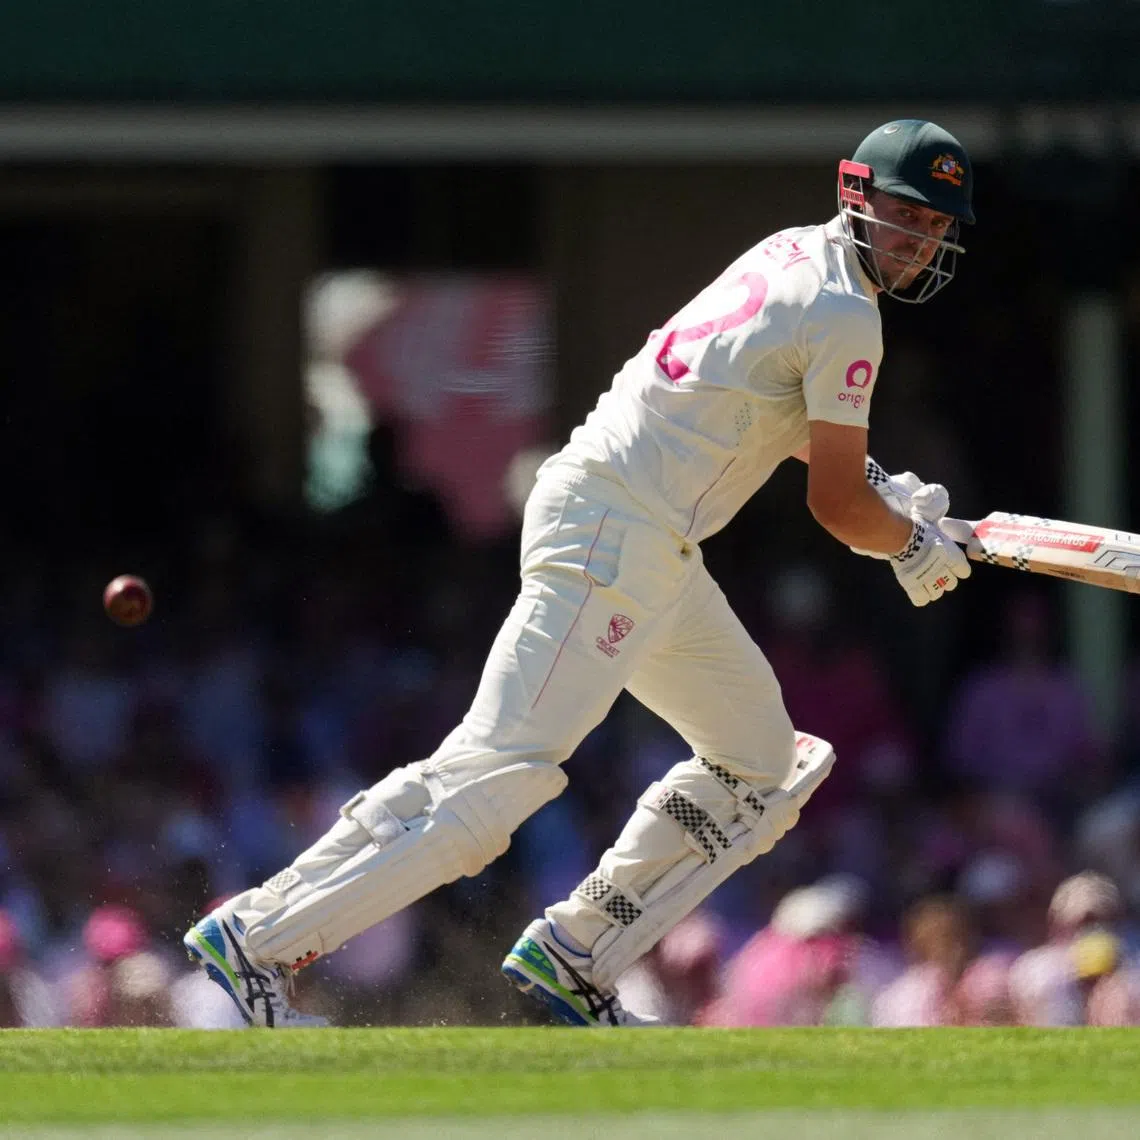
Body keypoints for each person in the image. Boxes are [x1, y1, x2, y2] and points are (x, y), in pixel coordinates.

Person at [184, 118, 976, 1028]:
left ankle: (577, 955)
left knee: (763, 765)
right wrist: (909, 546)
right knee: (497, 778)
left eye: (935, 227)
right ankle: (258, 937)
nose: (918, 242)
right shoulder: (847, 312)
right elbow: (835, 508)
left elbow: (769, 413)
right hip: (617, 531)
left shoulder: (794, 257)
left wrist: (890, 494)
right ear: (857, 194)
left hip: (647, 541)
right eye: (905, 216)